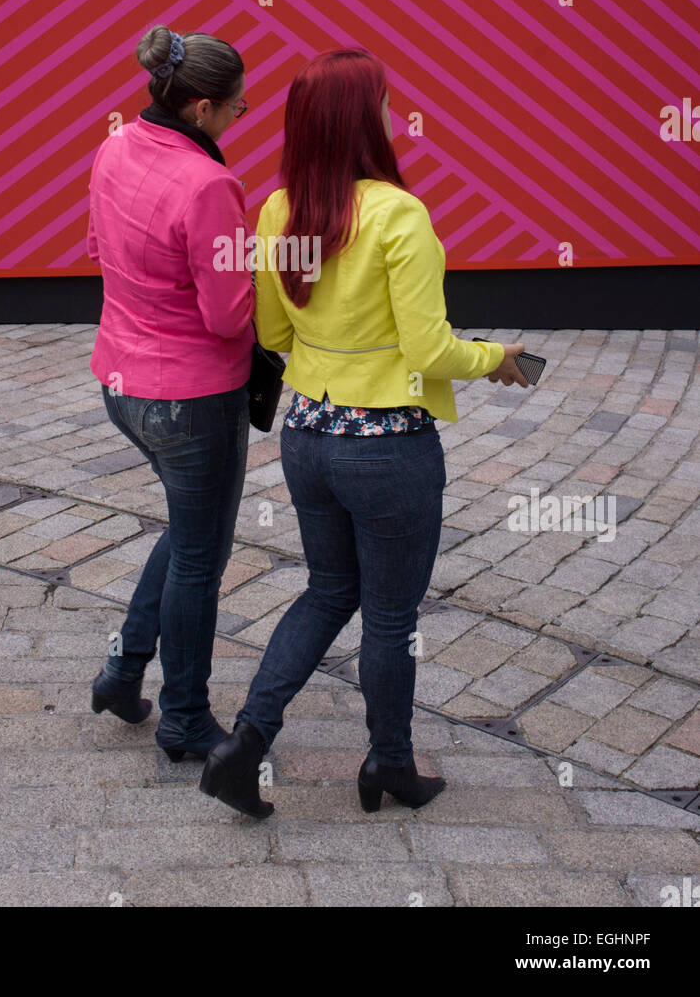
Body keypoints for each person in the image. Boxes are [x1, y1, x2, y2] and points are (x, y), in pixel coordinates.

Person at [200, 48, 528, 818]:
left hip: (308, 437)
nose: (391, 115)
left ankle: (245, 743)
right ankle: (388, 764)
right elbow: (428, 349)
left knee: (326, 591)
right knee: (388, 616)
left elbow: (274, 329)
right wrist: (498, 359)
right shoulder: (397, 214)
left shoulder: (278, 210)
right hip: (388, 447)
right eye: (383, 102)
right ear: (359, 120)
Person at [88, 24, 254, 761]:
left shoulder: (114, 146)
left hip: (121, 384)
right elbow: (228, 316)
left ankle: (124, 672)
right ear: (200, 110)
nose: (238, 118)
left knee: (187, 535)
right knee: (199, 555)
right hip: (193, 399)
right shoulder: (210, 183)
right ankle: (185, 717)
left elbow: (101, 252)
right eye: (236, 109)